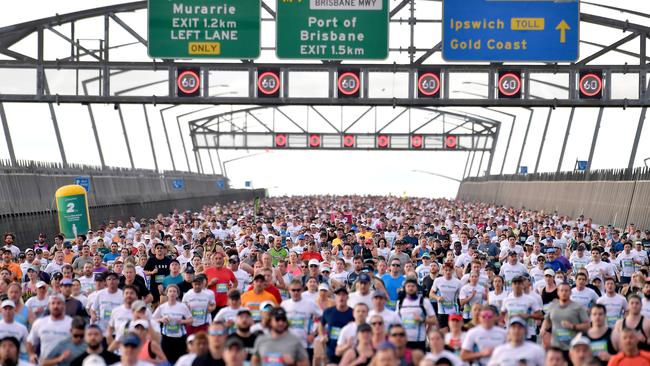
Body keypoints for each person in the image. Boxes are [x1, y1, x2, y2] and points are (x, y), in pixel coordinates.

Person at [541, 282, 590, 351]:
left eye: (566, 291)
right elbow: (547, 320)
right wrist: (543, 329)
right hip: (556, 346)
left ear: (570, 292)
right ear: (558, 292)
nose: (564, 293)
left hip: (572, 347)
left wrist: (573, 326)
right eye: (561, 290)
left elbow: (587, 325)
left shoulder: (578, 307)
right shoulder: (553, 306)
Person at [281, 279, 322, 360]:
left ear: (302, 290)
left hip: (304, 344)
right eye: (293, 290)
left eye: (298, 290)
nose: (296, 292)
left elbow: (323, 318)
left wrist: (314, 334)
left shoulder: (310, 304)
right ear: (289, 290)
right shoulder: (284, 304)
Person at [26, 294, 73, 364]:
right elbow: (29, 342)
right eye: (53, 303)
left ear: (64, 305)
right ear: (49, 306)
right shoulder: (39, 323)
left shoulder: (72, 323)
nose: (55, 306)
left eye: (58, 303)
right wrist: (31, 355)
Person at [152, 284, 192, 363]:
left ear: (177, 294)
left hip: (180, 338)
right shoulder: (162, 307)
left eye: (174, 291)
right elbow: (152, 320)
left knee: (180, 361)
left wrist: (182, 321)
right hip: (166, 338)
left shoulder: (182, 306)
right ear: (167, 293)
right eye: (170, 291)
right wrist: (161, 319)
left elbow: (190, 320)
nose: (172, 293)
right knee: (166, 361)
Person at [320, 286, 354, 365]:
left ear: (347, 297)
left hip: (347, 349)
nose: (341, 297)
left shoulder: (353, 312)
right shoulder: (328, 311)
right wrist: (322, 335)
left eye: (343, 295)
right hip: (331, 349)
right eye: (339, 295)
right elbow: (321, 325)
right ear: (335, 297)